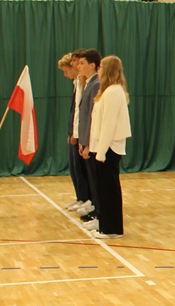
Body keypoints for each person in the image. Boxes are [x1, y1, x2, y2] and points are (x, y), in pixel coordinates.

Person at [87, 55, 131, 239]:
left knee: (108, 189)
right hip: (102, 147)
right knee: (103, 189)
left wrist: (101, 152)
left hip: (109, 148)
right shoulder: (108, 91)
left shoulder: (114, 92)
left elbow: (109, 124)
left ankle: (111, 228)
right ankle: (105, 225)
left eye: (101, 68)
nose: (98, 70)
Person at [59, 53, 91, 213]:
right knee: (74, 168)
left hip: (81, 133)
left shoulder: (86, 84)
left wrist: (76, 133)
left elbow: (82, 112)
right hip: (75, 131)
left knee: (81, 169)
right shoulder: (76, 83)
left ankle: (86, 198)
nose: (66, 74)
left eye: (67, 70)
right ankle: (80, 197)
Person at [75, 49, 102, 230]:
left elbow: (92, 118)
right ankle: (96, 212)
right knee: (92, 179)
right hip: (86, 139)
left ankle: (99, 214)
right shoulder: (88, 84)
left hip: (92, 141)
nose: (79, 66)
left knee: (96, 181)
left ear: (92, 65)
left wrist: (87, 143)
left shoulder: (96, 84)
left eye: (82, 63)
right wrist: (81, 141)